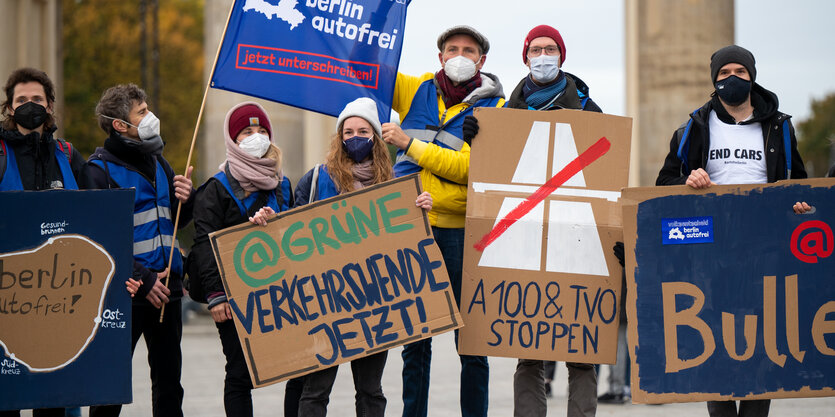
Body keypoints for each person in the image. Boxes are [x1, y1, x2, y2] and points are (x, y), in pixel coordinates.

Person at [251, 97, 432, 417]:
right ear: (339, 137)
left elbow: (407, 243)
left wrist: (421, 212)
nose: (354, 138)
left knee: (370, 391)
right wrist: (269, 220)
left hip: (376, 301)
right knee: (316, 390)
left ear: (375, 137)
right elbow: (291, 231)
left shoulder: (392, 184)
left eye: (363, 131)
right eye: (348, 132)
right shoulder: (317, 179)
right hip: (324, 302)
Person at [656, 45, 810, 417]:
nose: (732, 79)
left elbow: (802, 185)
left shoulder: (779, 127)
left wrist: (801, 205)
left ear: (752, 76)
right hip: (712, 254)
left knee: (763, 344)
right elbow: (662, 186)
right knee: (717, 344)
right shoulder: (694, 126)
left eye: (740, 71)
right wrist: (686, 179)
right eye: (724, 73)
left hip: (767, 252)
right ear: (714, 79)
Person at [380, 25, 504, 417]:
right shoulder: (414, 88)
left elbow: (470, 169)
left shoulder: (496, 110)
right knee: (415, 342)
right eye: (452, 49)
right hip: (411, 227)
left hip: (460, 232)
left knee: (471, 343)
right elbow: (364, 68)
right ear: (440, 57)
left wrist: (408, 144)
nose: (460, 56)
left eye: (469, 50)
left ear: (482, 61)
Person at [497, 24, 601, 417]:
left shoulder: (590, 109)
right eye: (536, 49)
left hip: (577, 241)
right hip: (525, 239)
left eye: (550, 48)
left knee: (582, 352)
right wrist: (480, 136)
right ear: (525, 57)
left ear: (562, 56)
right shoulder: (509, 111)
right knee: (528, 351)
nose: (543, 55)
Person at [82, 84, 194, 417]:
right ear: (119, 124)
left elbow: (176, 221)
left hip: (168, 292)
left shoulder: (159, 161)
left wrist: (186, 199)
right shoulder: (97, 170)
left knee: (170, 387)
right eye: (141, 112)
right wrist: (142, 278)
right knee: (110, 388)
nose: (150, 117)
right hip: (125, 293)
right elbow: (97, 240)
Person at [184, 101, 293, 417]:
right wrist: (217, 296)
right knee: (240, 373)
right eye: (247, 131)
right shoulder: (215, 189)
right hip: (233, 296)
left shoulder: (282, 183)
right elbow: (204, 245)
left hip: (278, 291)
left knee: (301, 364)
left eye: (261, 131)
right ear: (233, 139)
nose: (256, 136)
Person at [0, 68, 86, 417]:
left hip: (58, 301)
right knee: (7, 397)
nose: (30, 106)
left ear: (50, 106)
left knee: (55, 401)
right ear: (9, 108)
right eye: (22, 100)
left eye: (37, 99)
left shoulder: (68, 156)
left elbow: (99, 218)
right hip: (8, 305)